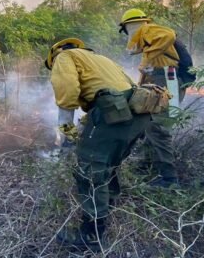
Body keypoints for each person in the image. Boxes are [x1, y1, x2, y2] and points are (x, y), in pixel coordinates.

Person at [46, 38, 151, 252]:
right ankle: (108, 205)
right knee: (108, 163)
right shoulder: (99, 58)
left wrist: (66, 129)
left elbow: (67, 90)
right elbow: (123, 86)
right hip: (137, 113)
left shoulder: (64, 56)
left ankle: (91, 234)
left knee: (90, 169)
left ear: (54, 55)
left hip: (113, 110)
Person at [119, 8, 183, 188]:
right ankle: (147, 165)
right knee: (147, 122)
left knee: (157, 127)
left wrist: (146, 62)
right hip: (162, 80)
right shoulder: (150, 44)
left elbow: (169, 34)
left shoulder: (147, 30)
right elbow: (149, 71)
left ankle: (169, 179)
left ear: (130, 26)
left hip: (167, 79)